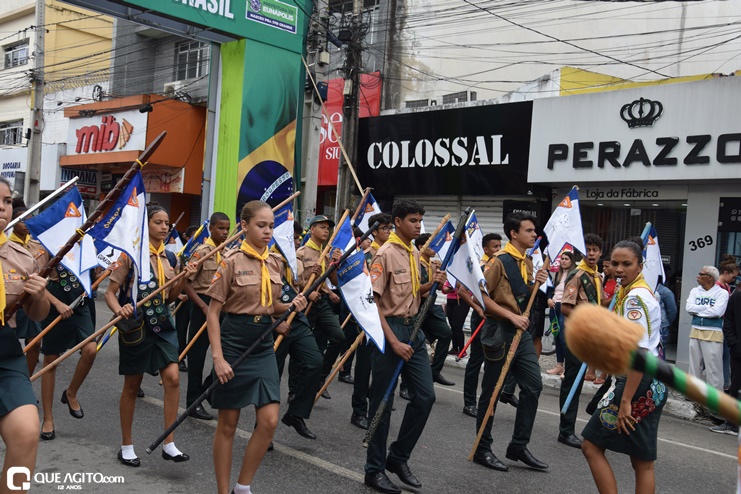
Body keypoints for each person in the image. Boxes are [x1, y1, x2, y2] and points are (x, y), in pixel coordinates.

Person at [206, 200, 307, 494]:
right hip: (233, 342)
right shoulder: (230, 261)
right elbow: (213, 313)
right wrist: (218, 358)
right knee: (228, 423)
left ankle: (243, 486)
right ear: (245, 226)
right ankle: (223, 490)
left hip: (262, 344)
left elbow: (271, 306)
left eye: (271, 226)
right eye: (261, 225)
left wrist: (291, 305)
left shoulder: (274, 262)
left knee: (269, 421)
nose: (267, 231)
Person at [105, 203, 196, 467]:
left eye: (167, 223)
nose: (164, 227)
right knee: (132, 386)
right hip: (136, 327)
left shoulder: (171, 257)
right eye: (158, 222)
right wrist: (119, 309)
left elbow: (170, 296)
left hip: (164, 325)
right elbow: (110, 293)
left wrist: (184, 278)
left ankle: (169, 443)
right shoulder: (130, 256)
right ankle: (126, 445)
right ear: (145, 226)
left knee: (173, 379)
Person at [364, 199, 442, 494]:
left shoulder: (413, 252)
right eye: (413, 220)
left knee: (425, 397)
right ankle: (373, 469)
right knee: (382, 404)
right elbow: (372, 304)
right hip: (391, 331)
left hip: (414, 330)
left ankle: (397, 458)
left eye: (420, 220)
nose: (419, 226)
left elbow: (411, 293)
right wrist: (393, 341)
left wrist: (431, 284)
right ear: (397, 222)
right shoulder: (384, 254)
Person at [581, 239, 665, 494]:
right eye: (615, 263)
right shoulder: (639, 292)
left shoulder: (634, 300)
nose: (619, 269)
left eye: (627, 264)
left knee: (591, 446)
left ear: (640, 266)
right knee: (642, 462)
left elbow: (639, 352)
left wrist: (626, 400)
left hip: (635, 382)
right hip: (652, 381)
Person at [472, 211, 548, 473]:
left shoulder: (527, 261)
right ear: (514, 233)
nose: (534, 234)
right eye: (529, 230)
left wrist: (536, 285)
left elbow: (521, 297)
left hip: (521, 332)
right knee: (492, 391)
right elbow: (481, 296)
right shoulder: (499, 262)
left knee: (533, 385)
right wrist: (510, 316)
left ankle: (518, 445)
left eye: (534, 230)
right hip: (499, 330)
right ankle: (482, 448)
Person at [0, 177, 50, 493]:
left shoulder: (22, 257)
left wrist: (40, 295)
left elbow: (37, 315)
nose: (2, 208)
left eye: (6, 201)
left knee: (27, 431)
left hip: (5, 355)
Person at [36, 226, 103, 441]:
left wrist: (101, 272)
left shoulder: (86, 243)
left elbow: (93, 275)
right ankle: (48, 418)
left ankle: (71, 392)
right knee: (51, 361)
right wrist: (57, 304)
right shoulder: (47, 243)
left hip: (81, 303)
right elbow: (35, 280)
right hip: (55, 303)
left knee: (90, 350)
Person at [181, 212, 231, 420]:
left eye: (227, 228)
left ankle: (208, 389)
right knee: (197, 355)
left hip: (222, 305)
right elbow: (186, 282)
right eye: (221, 228)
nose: (225, 232)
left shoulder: (228, 252)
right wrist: (202, 306)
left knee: (229, 351)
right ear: (211, 229)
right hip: (203, 304)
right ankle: (193, 402)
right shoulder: (202, 252)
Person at [557, 233, 603, 449]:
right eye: (588, 250)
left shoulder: (598, 276)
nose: (591, 254)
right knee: (573, 382)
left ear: (601, 253)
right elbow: (565, 308)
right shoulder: (577, 276)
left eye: (595, 250)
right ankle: (566, 431)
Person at [460, 233, 507, 418]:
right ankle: (469, 402)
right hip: (481, 318)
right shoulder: (479, 267)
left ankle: (487, 403)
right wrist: (478, 309)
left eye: (500, 246)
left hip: (496, 320)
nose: (498, 249)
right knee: (476, 360)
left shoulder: (500, 265)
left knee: (493, 362)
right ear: (486, 249)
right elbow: (463, 291)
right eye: (495, 247)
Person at [296, 214, 342, 399]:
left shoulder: (326, 254)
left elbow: (334, 281)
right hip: (305, 303)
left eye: (328, 228)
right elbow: (296, 281)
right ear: (312, 229)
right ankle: (294, 390)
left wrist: (335, 264)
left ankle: (320, 378)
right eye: (322, 227)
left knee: (338, 336)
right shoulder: (301, 253)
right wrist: (308, 292)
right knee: (298, 346)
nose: (326, 231)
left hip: (321, 302)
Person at [9, 207, 44, 376]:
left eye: (29, 219)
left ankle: (27, 378)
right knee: (11, 343)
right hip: (12, 299)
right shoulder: (7, 246)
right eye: (22, 220)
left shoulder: (38, 245)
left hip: (31, 299)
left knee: (35, 341)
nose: (26, 224)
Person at [686, 265, 730, 391]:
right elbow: (689, 308)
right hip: (695, 330)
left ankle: (715, 395)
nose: (698, 276)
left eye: (701, 274)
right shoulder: (695, 291)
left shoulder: (722, 293)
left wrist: (698, 311)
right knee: (694, 365)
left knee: (713, 366)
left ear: (710, 277)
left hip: (713, 331)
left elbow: (717, 312)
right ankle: (693, 392)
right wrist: (707, 308)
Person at [350, 227, 375, 430]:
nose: (387, 232)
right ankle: (358, 411)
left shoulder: (397, 254)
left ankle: (377, 407)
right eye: (384, 228)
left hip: (388, 321)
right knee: (364, 368)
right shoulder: (364, 257)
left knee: (382, 369)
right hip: (368, 317)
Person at [714, 269, 741, 435]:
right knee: (736, 386)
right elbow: (729, 322)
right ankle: (732, 424)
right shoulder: (736, 298)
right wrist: (734, 344)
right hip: (738, 352)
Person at [545, 251, 576, 378]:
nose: (563, 261)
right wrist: (549, 298)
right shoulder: (558, 274)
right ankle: (559, 365)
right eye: (562, 258)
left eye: (566, 259)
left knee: (564, 338)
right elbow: (551, 289)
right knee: (556, 335)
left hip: (565, 307)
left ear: (571, 261)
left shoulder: (574, 275)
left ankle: (567, 368)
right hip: (554, 306)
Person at [718, 256, 738, 391]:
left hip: (725, 323)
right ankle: (725, 384)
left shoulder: (726, 286)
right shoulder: (718, 287)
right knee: (721, 355)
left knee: (725, 355)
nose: (734, 280)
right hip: (720, 324)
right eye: (733, 277)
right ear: (725, 273)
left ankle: (726, 383)